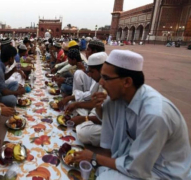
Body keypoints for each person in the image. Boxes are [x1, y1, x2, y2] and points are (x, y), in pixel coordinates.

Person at [74, 50, 191, 180]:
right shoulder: (116, 100)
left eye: (106, 78)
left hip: (162, 172)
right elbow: (108, 146)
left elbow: (137, 168)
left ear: (127, 82)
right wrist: (98, 107)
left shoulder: (155, 114)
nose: (101, 83)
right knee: (101, 170)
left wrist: (94, 157)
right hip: (133, 160)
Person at [62, 52, 108, 146]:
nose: (89, 75)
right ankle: (81, 122)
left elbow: (107, 119)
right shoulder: (98, 81)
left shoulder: (110, 85)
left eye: (91, 72)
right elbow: (92, 101)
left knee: (84, 133)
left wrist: (84, 118)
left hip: (107, 124)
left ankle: (82, 124)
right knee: (71, 105)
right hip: (97, 114)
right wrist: (76, 104)